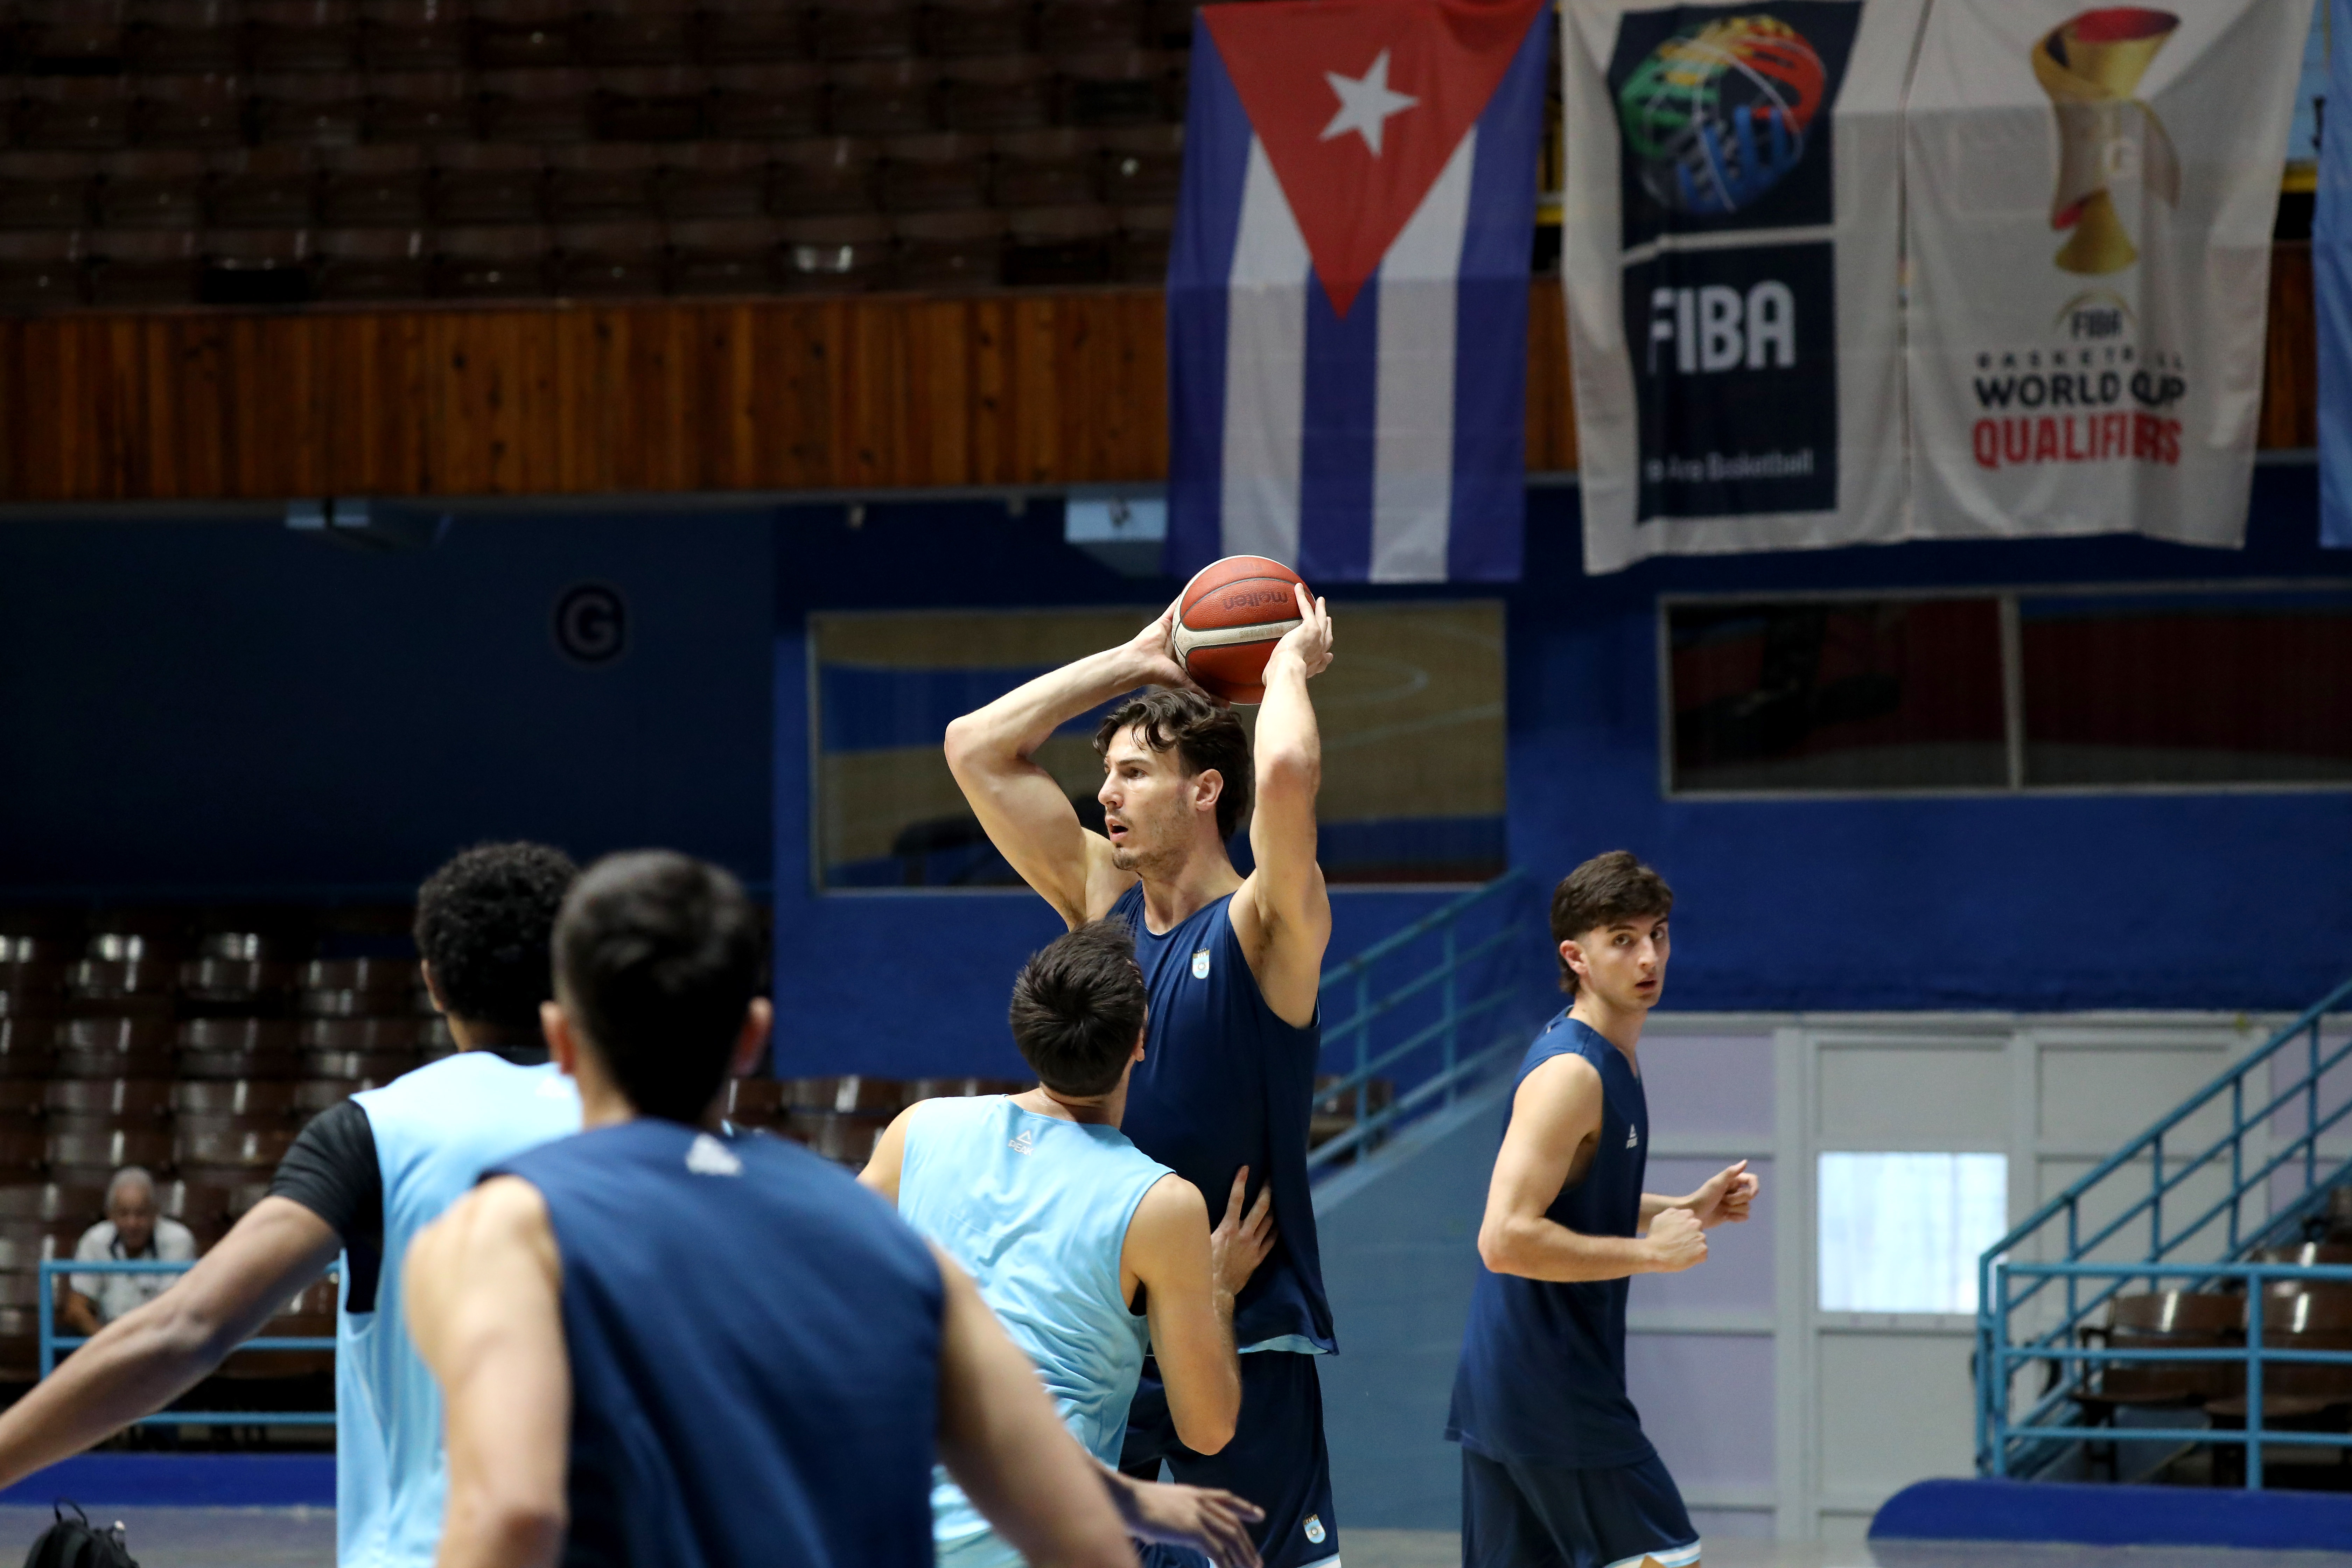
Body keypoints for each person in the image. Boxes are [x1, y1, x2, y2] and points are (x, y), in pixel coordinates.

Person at [405, 851, 1154, 1568]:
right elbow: (1084, 1539)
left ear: (562, 1041)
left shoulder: (500, 1231)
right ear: (753, 1037)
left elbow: (513, 1514)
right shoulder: (885, 1243)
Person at [0, 841, 584, 1568]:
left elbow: (190, 1326)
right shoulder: (675, 1136)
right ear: (576, 974)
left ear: (433, 982)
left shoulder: (378, 1130)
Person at [944, 587, 1341, 1568]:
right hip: (1108, 1342)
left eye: (1133, 773)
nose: (1107, 796)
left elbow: (1285, 770)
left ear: (1204, 791)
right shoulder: (1102, 902)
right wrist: (1134, 660)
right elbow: (976, 748)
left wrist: (1287, 666)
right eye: (1106, 776)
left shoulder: (1263, 927)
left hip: (1243, 1335)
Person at [862, 919, 1274, 1568]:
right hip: (1039, 1537)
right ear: (1140, 1042)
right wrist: (1218, 1291)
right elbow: (1208, 1428)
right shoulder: (1162, 1205)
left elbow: (823, 1288)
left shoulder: (918, 1130)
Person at [1446, 852, 1760, 1568]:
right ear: (1576, 957)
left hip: (1515, 1385)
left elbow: (1574, 1199)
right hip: (1551, 1385)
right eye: (1623, 939)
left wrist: (1685, 1208)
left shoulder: (1611, 1055)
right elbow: (1504, 1237)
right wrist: (1651, 1253)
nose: (1649, 956)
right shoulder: (1572, 1074)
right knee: (1667, 1558)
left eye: (1658, 934)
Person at [61, 1167, 198, 1335]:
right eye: (124, 1214)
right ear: (110, 1215)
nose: (132, 1224)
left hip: (162, 1336)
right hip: (109, 1335)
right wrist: (108, 1342)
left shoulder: (178, 1240)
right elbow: (75, 1309)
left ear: (155, 1213)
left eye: (141, 1214)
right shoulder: (95, 1240)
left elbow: (176, 1309)